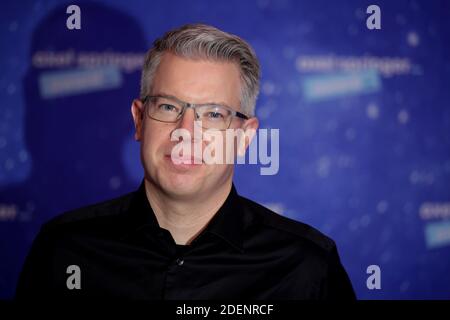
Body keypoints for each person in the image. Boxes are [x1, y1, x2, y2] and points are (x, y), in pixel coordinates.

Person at [15, 24, 356, 299]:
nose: (185, 133)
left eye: (213, 114)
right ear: (139, 120)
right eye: (168, 107)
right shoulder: (64, 250)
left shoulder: (307, 267)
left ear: (245, 137)